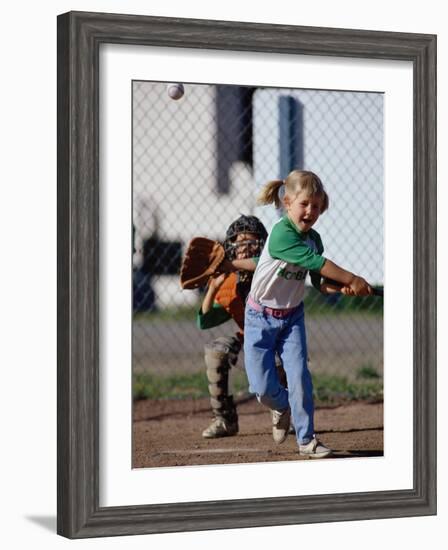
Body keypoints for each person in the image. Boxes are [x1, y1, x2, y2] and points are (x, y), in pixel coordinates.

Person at [243, 169, 374, 458]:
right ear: (287, 203)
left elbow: (319, 281)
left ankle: (307, 439)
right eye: (304, 204)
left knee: (300, 375)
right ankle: (281, 406)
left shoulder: (314, 238)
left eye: (315, 206)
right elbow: (318, 262)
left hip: (291, 318)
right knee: (261, 387)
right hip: (259, 317)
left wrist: (340, 288)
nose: (310, 211)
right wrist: (351, 278)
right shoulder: (281, 234)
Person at [197, 215, 288, 439]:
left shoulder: (270, 271)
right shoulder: (229, 280)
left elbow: (259, 264)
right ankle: (224, 419)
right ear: (231, 248)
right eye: (240, 242)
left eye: (252, 242)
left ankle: (285, 411)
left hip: (277, 339)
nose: (245, 247)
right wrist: (213, 286)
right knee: (216, 351)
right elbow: (204, 321)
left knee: (278, 362)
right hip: (249, 339)